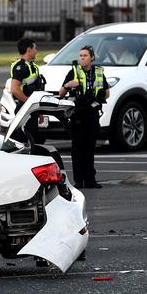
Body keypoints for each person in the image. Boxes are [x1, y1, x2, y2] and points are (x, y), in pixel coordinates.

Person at [58, 45, 109, 189]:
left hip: (92, 114)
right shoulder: (73, 72)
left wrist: (100, 94)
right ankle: (78, 180)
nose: (82, 58)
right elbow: (60, 93)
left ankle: (90, 179)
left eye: (85, 55)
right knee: (78, 149)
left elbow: (107, 93)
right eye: (80, 55)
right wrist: (68, 85)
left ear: (92, 58)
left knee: (90, 148)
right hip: (78, 115)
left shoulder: (98, 72)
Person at [9, 37, 45, 143]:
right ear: (29, 50)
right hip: (24, 109)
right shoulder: (20, 67)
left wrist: (39, 110)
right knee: (23, 141)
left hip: (32, 109)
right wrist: (29, 102)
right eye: (35, 48)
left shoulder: (33, 66)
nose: (36, 50)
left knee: (33, 139)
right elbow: (14, 89)